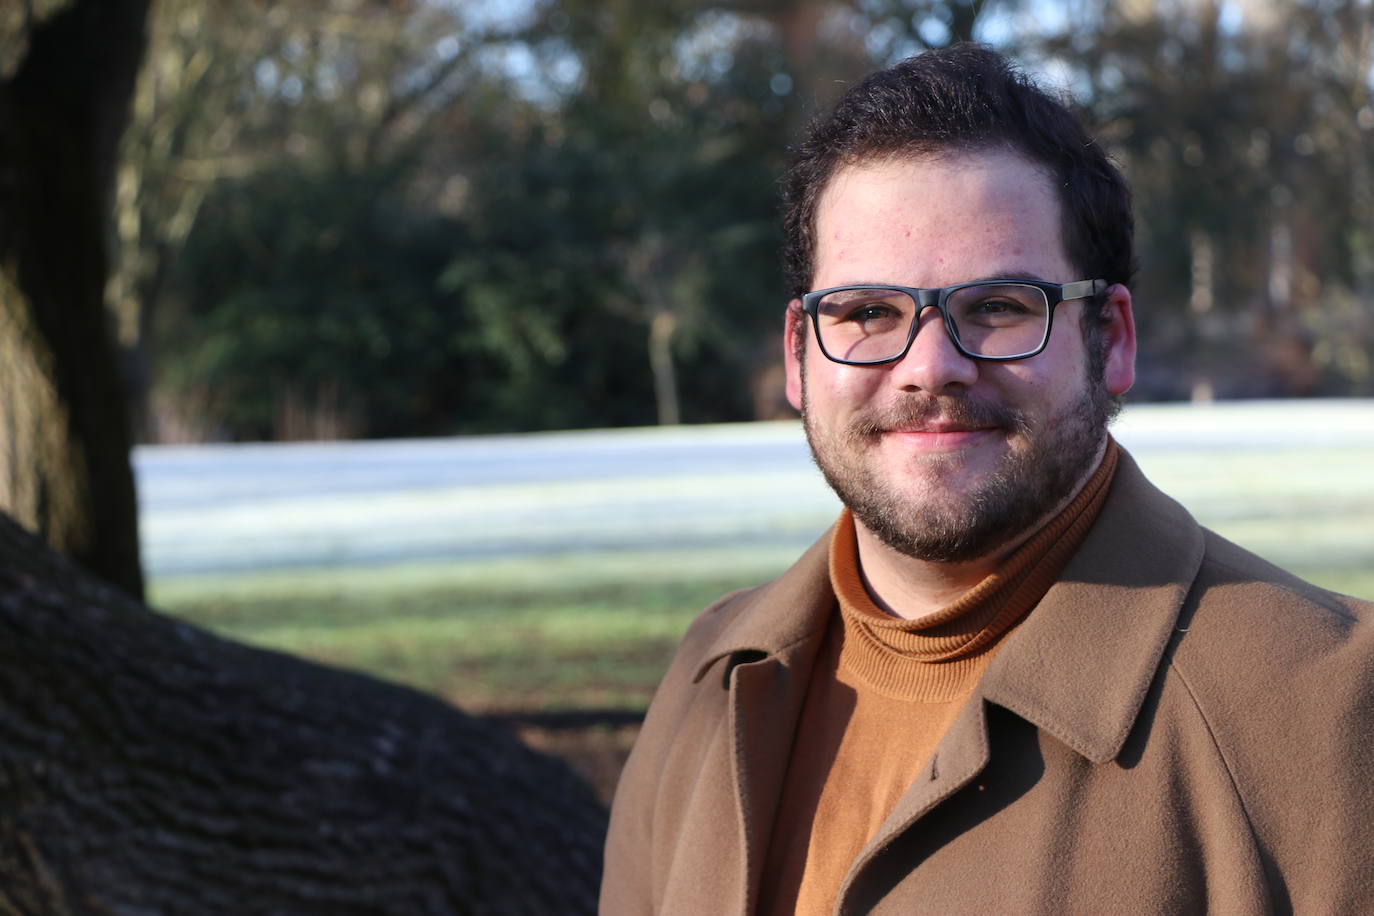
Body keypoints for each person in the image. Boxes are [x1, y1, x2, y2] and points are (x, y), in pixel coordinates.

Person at [600, 44, 1374, 915]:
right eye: (867, 312)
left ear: (1111, 339)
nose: (930, 368)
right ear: (798, 355)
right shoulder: (711, 679)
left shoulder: (1332, 709)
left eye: (1000, 307)